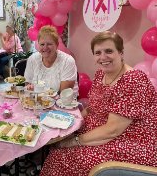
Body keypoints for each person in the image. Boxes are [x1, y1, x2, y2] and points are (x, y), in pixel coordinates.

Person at [40, 31, 157, 176]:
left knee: (63, 155)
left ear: (120, 53)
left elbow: (113, 130)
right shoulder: (101, 74)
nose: (103, 57)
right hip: (101, 130)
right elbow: (92, 108)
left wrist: (74, 140)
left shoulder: (133, 80)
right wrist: (71, 122)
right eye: (98, 52)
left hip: (130, 141)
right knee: (55, 143)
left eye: (109, 51)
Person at [24, 25, 78, 93]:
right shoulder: (32, 59)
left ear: (57, 45)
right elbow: (28, 84)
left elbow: (64, 93)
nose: (45, 48)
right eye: (42, 44)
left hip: (63, 101)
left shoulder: (67, 61)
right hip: (38, 101)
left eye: (49, 44)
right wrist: (30, 89)